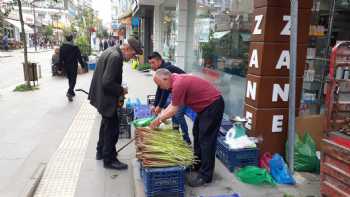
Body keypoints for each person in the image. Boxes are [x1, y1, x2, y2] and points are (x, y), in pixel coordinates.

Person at [149, 69, 225, 187]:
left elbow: (174, 109)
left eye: (159, 84)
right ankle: (198, 164)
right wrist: (160, 117)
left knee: (206, 140)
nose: (160, 88)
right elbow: (173, 105)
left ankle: (206, 175)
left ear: (165, 78)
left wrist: (158, 120)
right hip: (205, 108)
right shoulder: (175, 80)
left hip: (212, 105)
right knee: (197, 133)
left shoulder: (178, 83)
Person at [88, 37, 142, 170]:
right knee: (112, 130)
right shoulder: (116, 57)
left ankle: (100, 152)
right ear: (127, 49)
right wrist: (121, 90)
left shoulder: (111, 50)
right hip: (106, 99)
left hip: (101, 97)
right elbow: (107, 82)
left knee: (105, 126)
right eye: (133, 54)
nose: (133, 58)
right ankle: (109, 159)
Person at [148, 52, 191, 144]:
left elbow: (165, 91)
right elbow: (159, 89)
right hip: (177, 91)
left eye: (153, 62)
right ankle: (175, 133)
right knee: (173, 112)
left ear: (159, 61)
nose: (151, 65)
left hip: (184, 92)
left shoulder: (166, 70)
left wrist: (159, 107)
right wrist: (155, 105)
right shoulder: (160, 71)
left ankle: (186, 139)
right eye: (150, 63)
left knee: (178, 114)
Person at [59, 33, 86, 101]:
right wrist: (83, 66)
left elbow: (60, 58)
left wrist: (60, 68)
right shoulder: (75, 47)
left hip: (66, 66)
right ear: (71, 39)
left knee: (70, 79)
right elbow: (79, 57)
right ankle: (69, 92)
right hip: (73, 66)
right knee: (73, 80)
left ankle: (72, 92)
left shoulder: (62, 47)